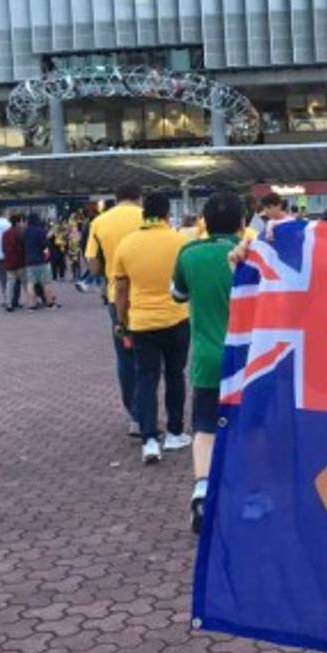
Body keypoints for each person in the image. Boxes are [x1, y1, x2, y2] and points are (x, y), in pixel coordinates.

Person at [172, 190, 245, 532]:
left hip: (206, 358)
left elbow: (178, 294)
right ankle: (247, 492)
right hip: (251, 359)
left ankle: (202, 491)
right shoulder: (255, 254)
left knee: (204, 427)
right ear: (242, 224)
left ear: (204, 222)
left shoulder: (190, 253)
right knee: (251, 426)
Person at [113, 191, 192, 465]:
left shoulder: (127, 244)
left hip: (141, 321)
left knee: (146, 377)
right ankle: (174, 431)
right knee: (175, 375)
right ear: (168, 214)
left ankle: (148, 438)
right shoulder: (181, 242)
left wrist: (121, 321)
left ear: (143, 213)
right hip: (176, 317)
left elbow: (121, 289)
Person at [86, 184, 145, 435]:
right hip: (149, 294)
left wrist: (105, 272)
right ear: (138, 198)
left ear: (116, 199)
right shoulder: (147, 216)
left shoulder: (99, 222)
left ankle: (135, 414)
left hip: (117, 296)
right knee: (153, 356)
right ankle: (154, 411)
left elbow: (91, 261)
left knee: (125, 355)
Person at [22, 213, 59, 310]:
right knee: (46, 283)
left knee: (31, 284)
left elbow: (22, 246)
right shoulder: (40, 231)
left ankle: (32, 304)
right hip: (40, 261)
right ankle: (49, 303)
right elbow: (45, 246)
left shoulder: (25, 232)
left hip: (29, 261)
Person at [1, 214, 26, 312]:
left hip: (9, 262)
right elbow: (22, 247)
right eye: (21, 221)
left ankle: (8, 304)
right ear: (17, 222)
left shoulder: (5, 233)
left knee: (10, 284)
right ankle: (31, 301)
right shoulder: (20, 232)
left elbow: (3, 248)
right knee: (26, 283)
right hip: (20, 262)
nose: (22, 223)